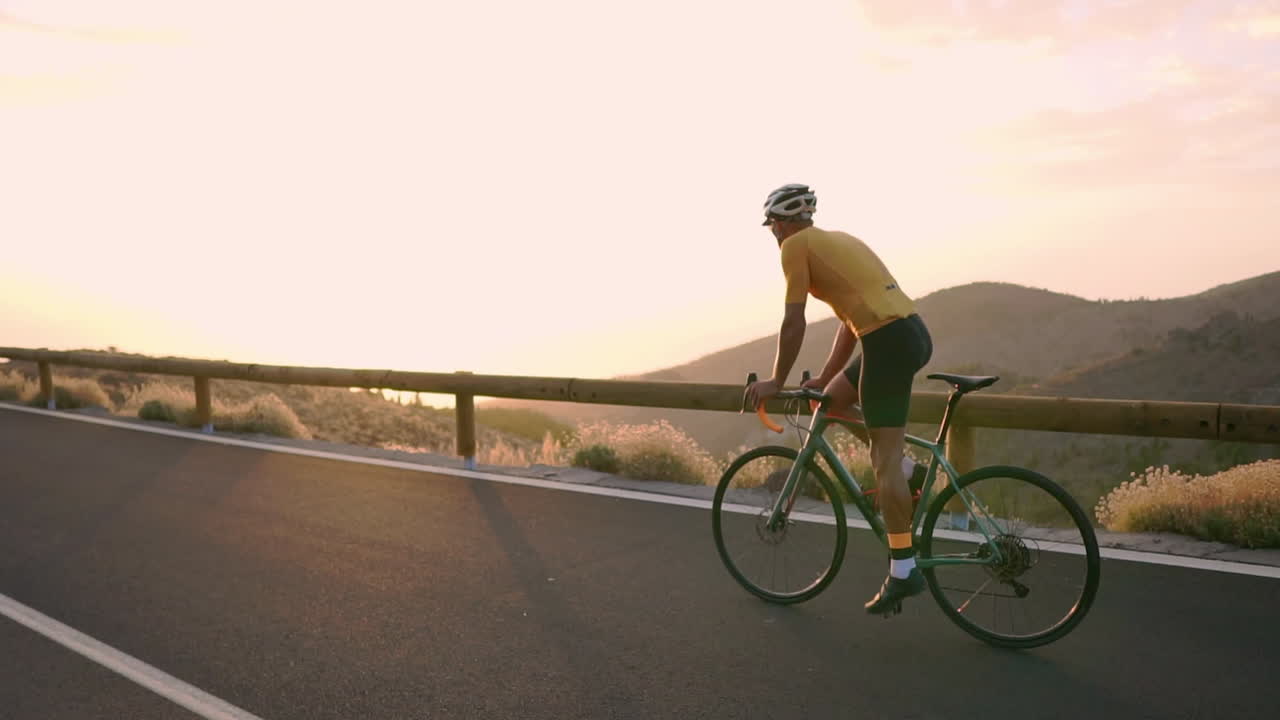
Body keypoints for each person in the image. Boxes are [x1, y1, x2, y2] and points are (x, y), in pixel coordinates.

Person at [745, 183, 934, 615]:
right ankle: (912, 471)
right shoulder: (840, 240)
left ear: (782, 222)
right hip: (909, 333)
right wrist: (827, 377)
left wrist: (777, 380)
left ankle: (903, 570)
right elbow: (850, 322)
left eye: (772, 224)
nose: (773, 232)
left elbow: (793, 321)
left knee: (882, 462)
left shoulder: (794, 248)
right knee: (828, 402)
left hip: (886, 343)